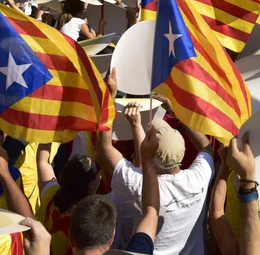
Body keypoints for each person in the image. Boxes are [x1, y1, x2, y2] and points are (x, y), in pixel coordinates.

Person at [95, 71, 214, 255]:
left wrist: (109, 98)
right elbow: (206, 148)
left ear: (150, 155)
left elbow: (105, 148)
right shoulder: (199, 177)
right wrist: (178, 114)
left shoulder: (140, 188)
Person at [68, 127, 160, 255]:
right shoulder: (115, 202)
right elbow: (151, 213)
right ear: (111, 239)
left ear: (70, 238)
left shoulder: (53, 200)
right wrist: (147, 159)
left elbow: (150, 213)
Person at [37, 144, 102, 255]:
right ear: (91, 184)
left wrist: (47, 129)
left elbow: (42, 162)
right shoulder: (89, 222)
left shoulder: (51, 196)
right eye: (97, 169)